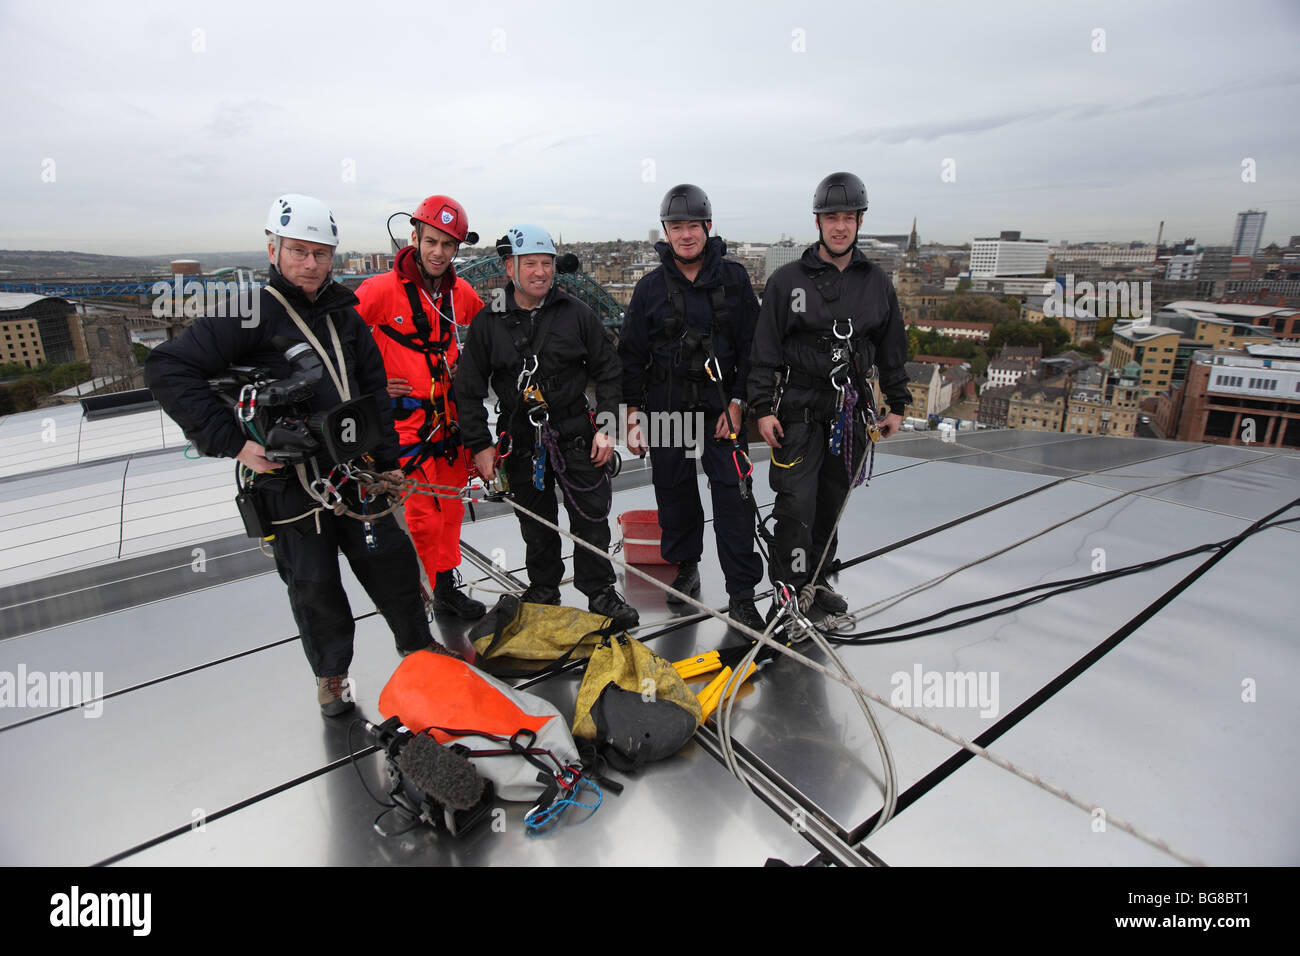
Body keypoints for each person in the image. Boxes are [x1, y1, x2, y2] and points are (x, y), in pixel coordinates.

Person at [146, 193, 452, 718]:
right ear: (274, 250)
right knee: (314, 584)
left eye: (321, 253)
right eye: (299, 252)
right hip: (291, 485)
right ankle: (332, 676)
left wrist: (390, 465)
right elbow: (168, 368)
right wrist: (235, 442)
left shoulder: (345, 314)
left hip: (356, 473)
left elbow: (372, 393)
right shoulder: (252, 313)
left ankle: (418, 645)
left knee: (392, 564)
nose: (311, 264)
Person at [455, 223, 639, 630]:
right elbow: (467, 389)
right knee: (535, 521)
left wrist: (606, 426)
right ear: (509, 268)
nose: (540, 272)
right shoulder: (489, 322)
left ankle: (600, 592)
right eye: (530, 264)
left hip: (576, 429)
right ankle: (544, 589)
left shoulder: (577, 314)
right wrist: (480, 444)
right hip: (520, 434)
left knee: (590, 518)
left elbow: (610, 370)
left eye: (546, 264)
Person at [747, 172, 908, 614]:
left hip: (850, 409)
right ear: (817, 222)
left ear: (859, 222)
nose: (840, 226)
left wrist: (897, 404)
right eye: (831, 217)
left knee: (831, 501)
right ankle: (788, 586)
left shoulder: (877, 282)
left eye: (848, 218)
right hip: (799, 404)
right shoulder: (786, 281)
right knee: (796, 502)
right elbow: (764, 351)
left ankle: (815, 582)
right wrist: (761, 409)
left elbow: (893, 348)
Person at [618, 184, 764, 631]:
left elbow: (754, 347)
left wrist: (739, 402)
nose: (685, 235)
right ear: (666, 231)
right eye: (676, 227)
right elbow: (631, 355)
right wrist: (632, 413)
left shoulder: (735, 280)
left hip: (721, 408)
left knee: (733, 498)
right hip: (667, 408)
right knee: (674, 491)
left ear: (708, 228)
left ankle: (741, 593)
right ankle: (686, 565)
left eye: (693, 226)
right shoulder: (648, 289)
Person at [354, 194, 485, 620]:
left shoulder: (458, 293)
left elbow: (488, 333)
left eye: (448, 245)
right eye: (432, 241)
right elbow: (342, 344)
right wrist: (371, 385)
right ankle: (425, 593)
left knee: (448, 511)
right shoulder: (379, 291)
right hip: (405, 428)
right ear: (415, 237)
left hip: (446, 426)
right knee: (421, 517)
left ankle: (445, 587)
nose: (438, 252)